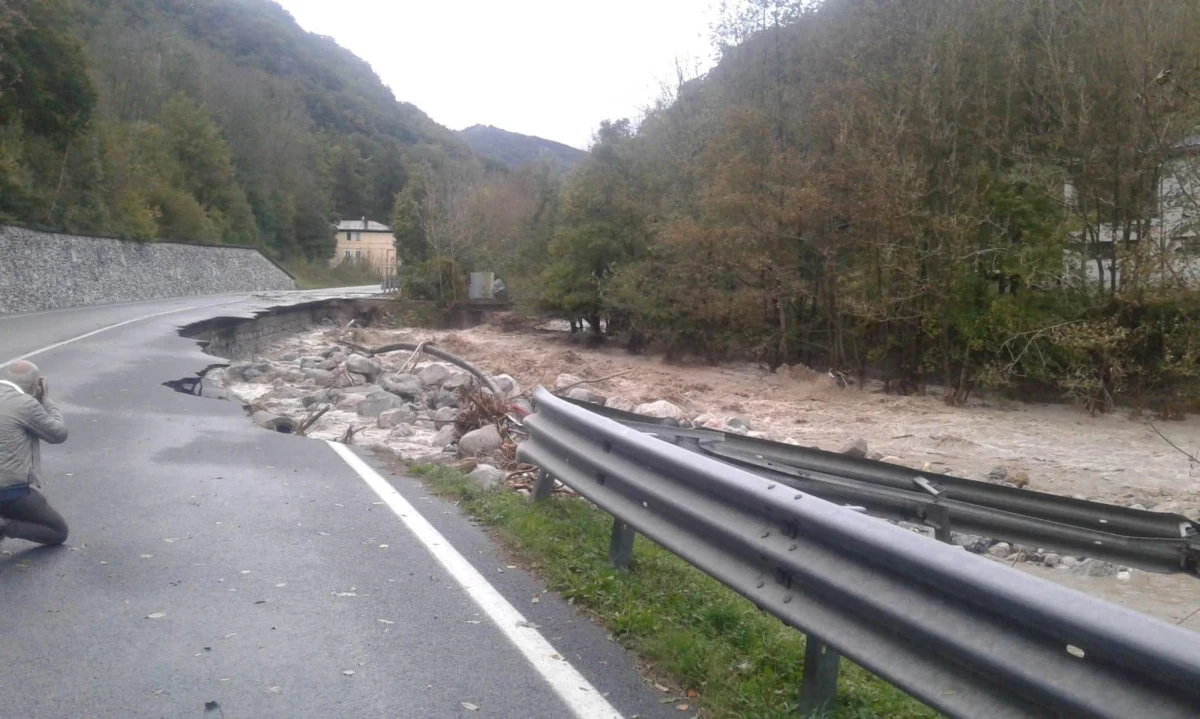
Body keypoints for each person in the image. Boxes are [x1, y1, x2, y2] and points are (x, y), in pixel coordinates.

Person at [0, 360, 69, 546]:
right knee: (58, 532)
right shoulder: (25, 404)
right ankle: (5, 526)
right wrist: (45, 400)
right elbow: (58, 434)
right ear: (34, 385)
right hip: (8, 493)